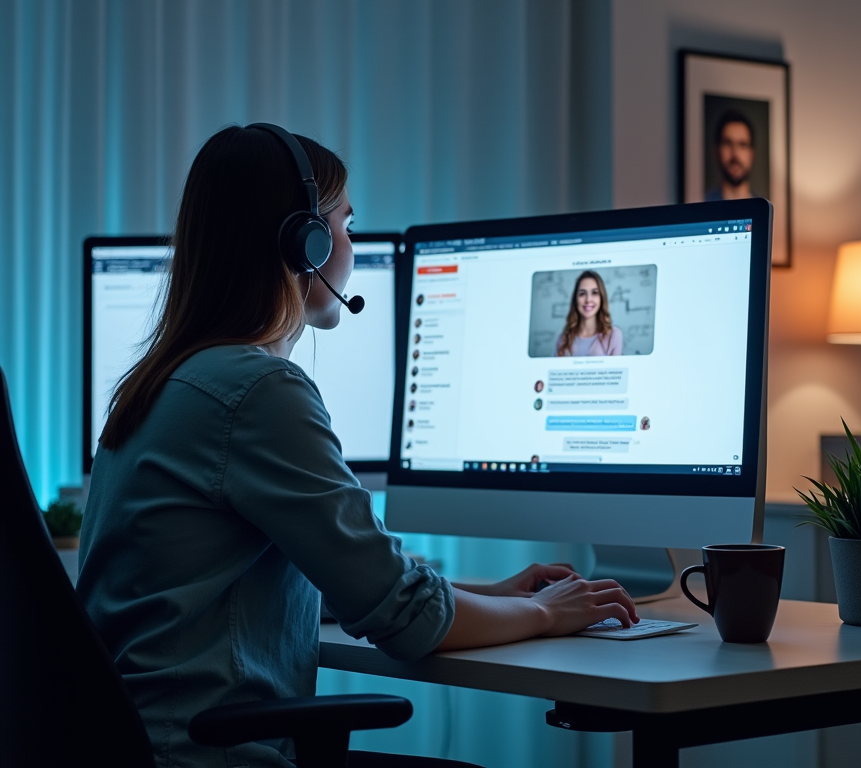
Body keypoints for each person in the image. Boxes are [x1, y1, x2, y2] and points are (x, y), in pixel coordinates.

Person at [76, 124, 637, 768]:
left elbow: (357, 581)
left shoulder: (165, 382)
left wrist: (498, 595)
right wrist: (542, 614)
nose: (352, 245)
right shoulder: (257, 390)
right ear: (303, 244)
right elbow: (404, 621)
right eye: (345, 224)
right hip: (212, 756)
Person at [556, 270, 622, 356]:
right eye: (582, 293)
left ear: (602, 298)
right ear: (575, 299)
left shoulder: (614, 335)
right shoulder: (563, 338)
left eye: (594, 293)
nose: (588, 300)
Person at [705, 109, 757, 201]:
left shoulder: (764, 211)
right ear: (716, 151)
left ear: (751, 154)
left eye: (742, 144)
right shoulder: (702, 209)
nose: (735, 154)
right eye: (727, 143)